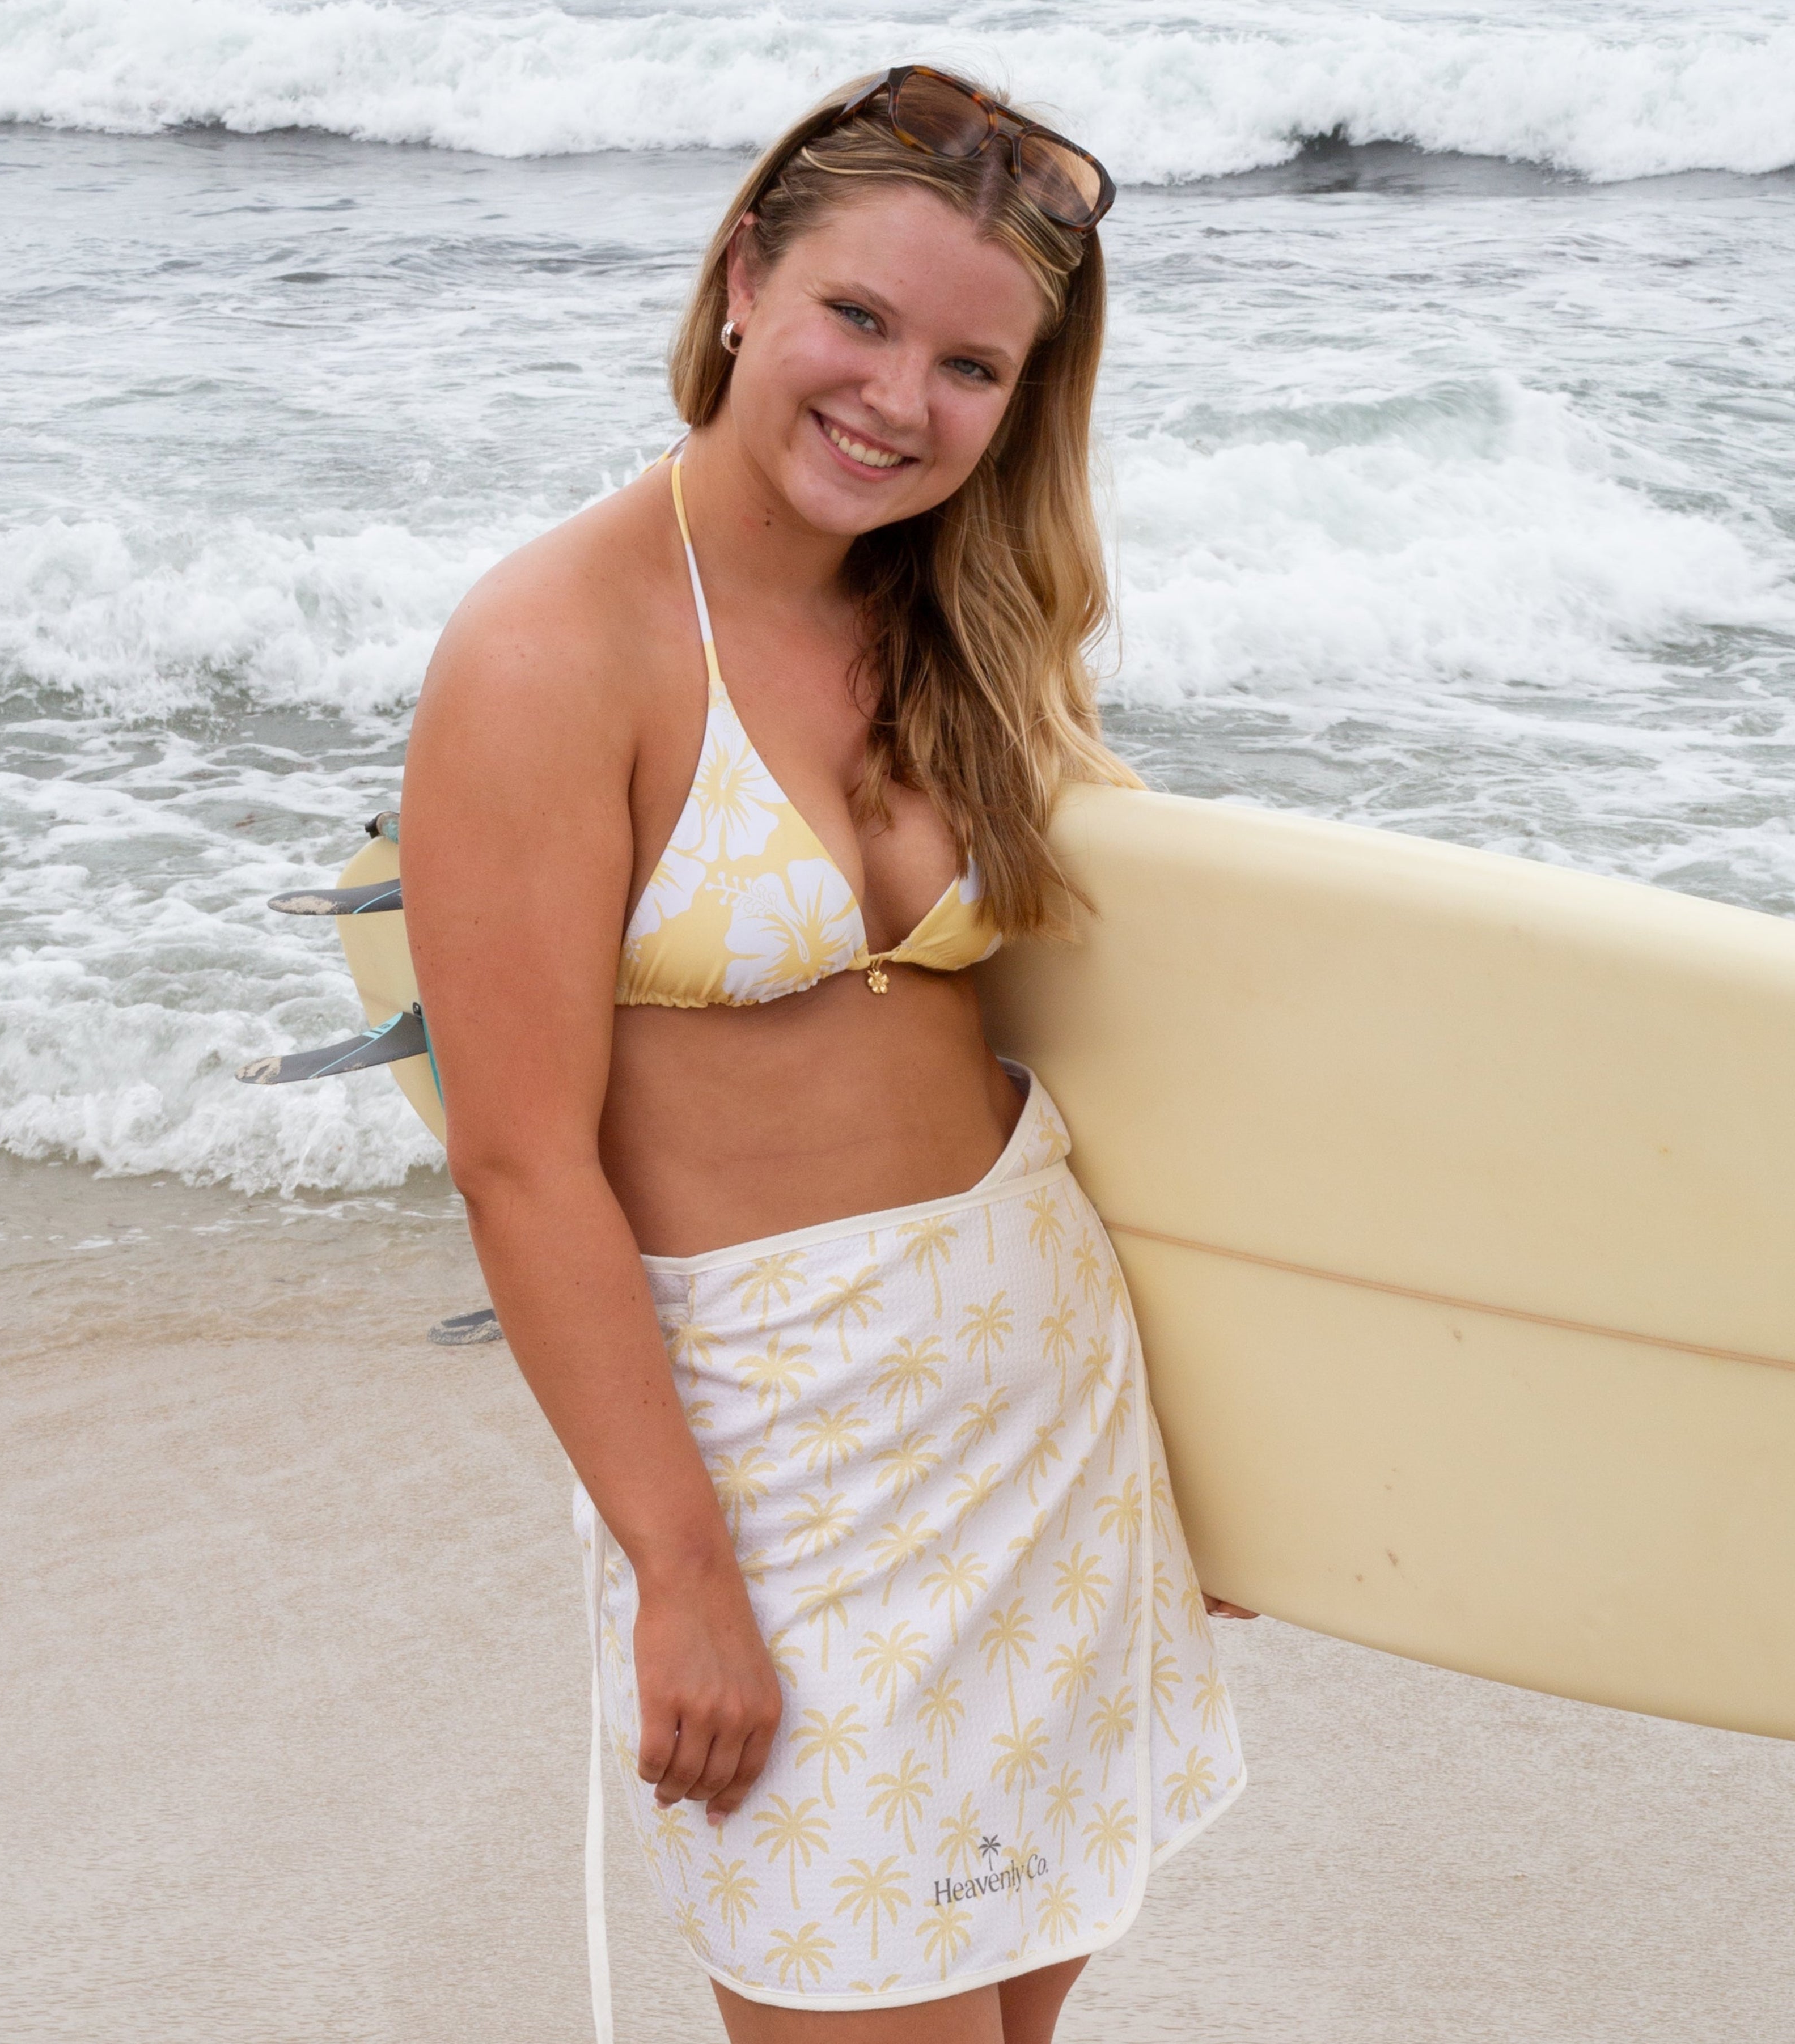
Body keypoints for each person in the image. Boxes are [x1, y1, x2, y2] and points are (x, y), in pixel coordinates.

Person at [402, 66, 1251, 2044]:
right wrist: (681, 1574)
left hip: (1047, 1420)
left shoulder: (961, 619)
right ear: (738, 286)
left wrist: (1231, 1472)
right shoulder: (549, 653)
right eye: (857, 319)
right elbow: (521, 1163)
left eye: (973, 365)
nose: (899, 399)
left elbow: (1100, 1049)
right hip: (786, 1484)